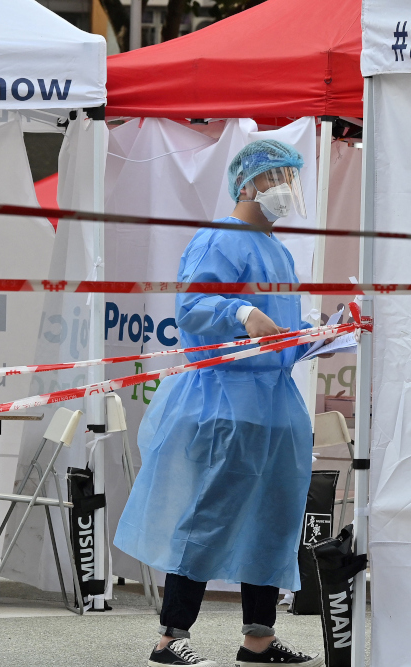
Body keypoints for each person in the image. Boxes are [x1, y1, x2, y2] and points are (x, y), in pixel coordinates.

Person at [113, 140, 325, 667]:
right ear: (247, 183)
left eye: (290, 177)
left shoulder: (277, 251)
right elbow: (194, 306)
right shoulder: (220, 239)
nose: (285, 188)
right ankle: (170, 637)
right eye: (276, 176)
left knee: (274, 518)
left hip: (274, 404)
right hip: (225, 401)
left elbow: (281, 332)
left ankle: (259, 638)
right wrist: (239, 313)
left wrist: (317, 336)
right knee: (209, 515)